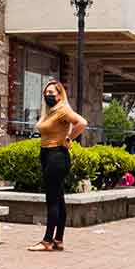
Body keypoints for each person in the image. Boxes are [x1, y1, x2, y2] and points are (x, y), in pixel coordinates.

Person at [28, 80, 87, 252]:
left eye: (52, 93)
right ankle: (58, 239)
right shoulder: (49, 111)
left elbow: (81, 122)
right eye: (46, 93)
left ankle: (47, 240)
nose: (48, 96)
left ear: (60, 95)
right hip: (47, 154)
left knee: (52, 199)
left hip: (57, 155)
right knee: (59, 199)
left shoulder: (62, 109)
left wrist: (68, 138)